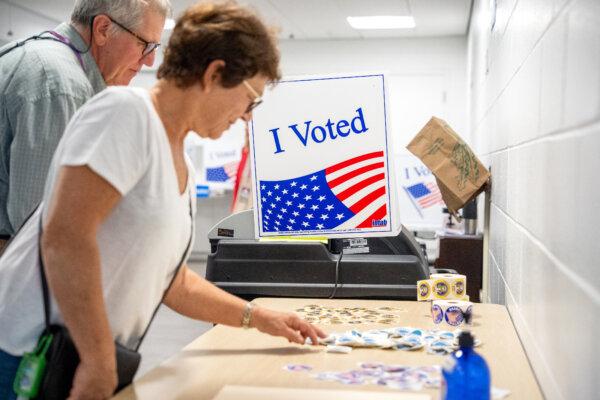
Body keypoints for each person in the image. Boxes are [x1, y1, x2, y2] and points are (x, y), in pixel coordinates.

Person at [0, 2, 326, 399]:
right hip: (29, 354)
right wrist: (99, 359)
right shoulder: (125, 113)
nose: (247, 118)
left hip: (82, 354)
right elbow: (65, 238)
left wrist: (258, 317)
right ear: (215, 74)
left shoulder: (180, 161)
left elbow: (173, 282)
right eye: (251, 99)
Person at [0, 0, 170, 252]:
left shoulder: (42, 58)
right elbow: (43, 230)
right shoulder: (61, 85)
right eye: (145, 44)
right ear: (102, 29)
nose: (149, 60)